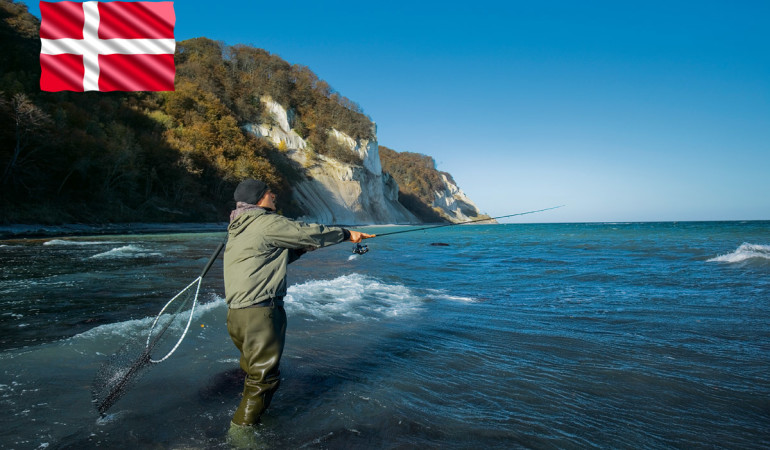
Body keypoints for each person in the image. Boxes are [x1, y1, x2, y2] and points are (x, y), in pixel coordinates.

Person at [223, 178, 374, 443]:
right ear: (259, 198)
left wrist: (303, 248)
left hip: (237, 314)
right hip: (260, 312)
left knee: (252, 370)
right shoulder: (266, 222)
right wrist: (347, 234)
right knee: (264, 379)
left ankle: (251, 413)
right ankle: (240, 435)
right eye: (270, 193)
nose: (274, 196)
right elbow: (307, 231)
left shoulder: (239, 226)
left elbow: (271, 255)